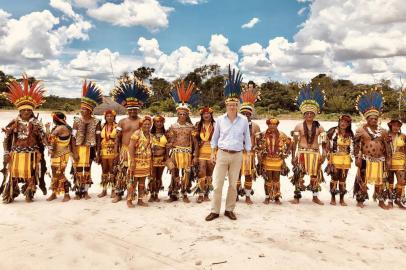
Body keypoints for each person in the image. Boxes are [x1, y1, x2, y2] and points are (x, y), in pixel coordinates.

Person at [206, 66, 251, 221]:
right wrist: (212, 152)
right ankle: (214, 211)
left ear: (238, 105)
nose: (232, 106)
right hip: (222, 154)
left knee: (233, 185)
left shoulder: (244, 120)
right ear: (226, 105)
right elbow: (214, 138)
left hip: (237, 155)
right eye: (230, 104)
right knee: (217, 184)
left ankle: (229, 209)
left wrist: (247, 154)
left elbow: (248, 138)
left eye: (235, 104)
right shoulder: (219, 120)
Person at [1, 75, 47, 203]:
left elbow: (43, 138)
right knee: (13, 174)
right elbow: (6, 139)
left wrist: (48, 145)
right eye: (24, 110)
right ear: (20, 111)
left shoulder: (37, 123)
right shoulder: (14, 122)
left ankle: (29, 193)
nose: (26, 112)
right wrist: (6, 152)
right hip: (16, 152)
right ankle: (10, 194)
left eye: (28, 110)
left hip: (32, 153)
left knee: (31, 174)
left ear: (32, 111)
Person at [111, 77, 150, 203]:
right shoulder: (122, 122)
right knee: (121, 171)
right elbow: (117, 138)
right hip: (124, 150)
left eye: (135, 109)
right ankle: (118, 193)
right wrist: (117, 152)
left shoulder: (142, 121)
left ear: (138, 109)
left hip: (138, 153)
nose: (133, 111)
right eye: (130, 109)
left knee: (135, 174)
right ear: (127, 110)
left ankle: (134, 195)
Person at [353, 89, 391, 209]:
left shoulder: (384, 132)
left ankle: (380, 201)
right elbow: (356, 145)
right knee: (362, 179)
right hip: (365, 159)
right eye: (371, 118)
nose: (373, 120)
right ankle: (360, 200)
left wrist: (389, 159)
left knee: (380, 181)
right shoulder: (360, 130)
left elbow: (387, 146)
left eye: (375, 118)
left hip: (380, 160)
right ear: (367, 119)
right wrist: (357, 158)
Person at [291, 85, 327, 205]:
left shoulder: (320, 128)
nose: (309, 115)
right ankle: (297, 197)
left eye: (312, 113)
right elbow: (294, 142)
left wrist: (324, 155)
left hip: (315, 154)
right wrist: (293, 156)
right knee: (299, 175)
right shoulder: (298, 126)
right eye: (307, 113)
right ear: (304, 114)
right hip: (301, 153)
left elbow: (324, 143)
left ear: (315, 114)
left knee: (314, 176)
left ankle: (315, 197)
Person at [166, 80, 198, 203]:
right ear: (177, 114)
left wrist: (195, 155)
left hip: (187, 153)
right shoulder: (173, 127)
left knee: (186, 173)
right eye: (180, 114)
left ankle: (184, 193)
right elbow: (169, 142)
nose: (182, 116)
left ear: (187, 114)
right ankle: (173, 193)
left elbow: (195, 142)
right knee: (174, 172)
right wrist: (167, 156)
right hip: (175, 153)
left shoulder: (191, 127)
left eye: (184, 114)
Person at [71, 80, 103, 200]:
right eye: (81, 109)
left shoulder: (96, 122)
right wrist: (74, 151)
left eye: (84, 109)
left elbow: (99, 138)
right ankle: (78, 191)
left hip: (90, 148)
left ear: (90, 110)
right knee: (78, 169)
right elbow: (73, 137)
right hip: (79, 148)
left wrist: (98, 152)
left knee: (88, 169)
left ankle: (86, 191)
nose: (82, 111)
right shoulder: (76, 121)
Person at [256, 118, 291, 205]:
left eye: (275, 125)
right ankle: (267, 197)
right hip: (266, 160)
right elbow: (257, 145)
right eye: (270, 124)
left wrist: (286, 153)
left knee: (276, 179)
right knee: (267, 179)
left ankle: (276, 197)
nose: (272, 126)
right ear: (267, 125)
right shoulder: (262, 134)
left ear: (277, 125)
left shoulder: (282, 135)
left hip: (278, 160)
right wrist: (259, 156)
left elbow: (290, 142)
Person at [237, 82, 261, 204]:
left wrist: (257, 149)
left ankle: (247, 196)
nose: (246, 115)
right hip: (237, 154)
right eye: (243, 113)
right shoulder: (235, 125)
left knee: (248, 175)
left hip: (250, 155)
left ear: (251, 114)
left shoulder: (256, 127)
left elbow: (259, 142)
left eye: (248, 114)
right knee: (236, 175)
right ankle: (235, 195)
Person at [325, 115, 354, 206]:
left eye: (346, 122)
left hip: (346, 159)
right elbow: (325, 142)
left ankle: (341, 199)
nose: (343, 123)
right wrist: (328, 154)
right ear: (339, 121)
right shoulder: (333, 131)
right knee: (334, 177)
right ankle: (333, 197)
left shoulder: (350, 133)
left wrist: (352, 156)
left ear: (349, 124)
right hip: (334, 158)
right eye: (342, 121)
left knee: (343, 179)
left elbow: (353, 146)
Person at [46, 112, 72, 202]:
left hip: (61, 154)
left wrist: (47, 129)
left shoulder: (60, 128)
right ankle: (54, 193)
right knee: (54, 173)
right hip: (57, 154)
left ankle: (67, 194)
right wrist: (48, 128)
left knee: (59, 173)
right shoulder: (64, 127)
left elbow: (49, 139)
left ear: (55, 119)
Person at [127, 116, 153, 207]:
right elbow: (131, 147)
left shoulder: (150, 135)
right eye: (145, 124)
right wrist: (133, 160)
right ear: (141, 124)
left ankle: (140, 200)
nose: (147, 125)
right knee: (133, 181)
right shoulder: (137, 133)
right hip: (136, 161)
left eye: (149, 124)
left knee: (142, 181)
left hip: (146, 161)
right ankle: (129, 200)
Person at [193, 106, 215, 203]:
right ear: (202, 115)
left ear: (211, 115)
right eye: (204, 114)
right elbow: (194, 140)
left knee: (209, 174)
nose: (206, 115)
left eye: (208, 114)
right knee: (201, 172)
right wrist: (195, 155)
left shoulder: (216, 125)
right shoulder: (198, 125)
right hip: (201, 152)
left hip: (213, 152)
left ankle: (206, 194)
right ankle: (200, 194)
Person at [98, 110, 118, 198]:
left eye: (111, 116)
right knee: (104, 171)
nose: (109, 118)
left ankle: (113, 190)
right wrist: (98, 152)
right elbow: (99, 139)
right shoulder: (102, 126)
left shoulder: (117, 126)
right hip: (103, 151)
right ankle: (104, 190)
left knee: (112, 171)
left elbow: (119, 140)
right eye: (107, 116)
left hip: (113, 151)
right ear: (105, 117)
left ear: (114, 117)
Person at [149, 115, 168, 202]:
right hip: (151, 158)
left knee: (159, 177)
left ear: (163, 123)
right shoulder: (150, 133)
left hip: (162, 158)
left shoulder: (166, 133)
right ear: (154, 123)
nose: (159, 123)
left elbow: (168, 147)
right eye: (157, 122)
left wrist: (166, 157)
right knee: (152, 176)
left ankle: (156, 194)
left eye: (161, 122)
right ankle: (151, 194)